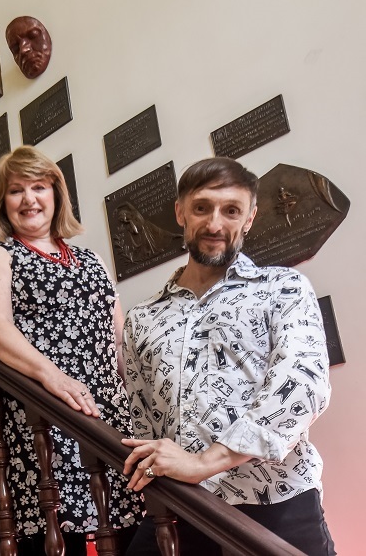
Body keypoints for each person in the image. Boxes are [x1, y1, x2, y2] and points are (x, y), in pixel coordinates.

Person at [121, 157, 335, 556]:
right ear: (180, 212)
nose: (215, 224)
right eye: (202, 208)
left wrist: (206, 462)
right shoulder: (141, 318)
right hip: (183, 507)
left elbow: (302, 388)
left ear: (249, 218)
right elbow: (144, 414)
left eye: (231, 211)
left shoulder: (284, 289)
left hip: (277, 501)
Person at [0, 145, 141, 555]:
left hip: (107, 405)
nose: (29, 199)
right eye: (16, 191)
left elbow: (118, 335)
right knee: (56, 528)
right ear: (2, 202)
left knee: (126, 522)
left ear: (56, 194)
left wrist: (137, 398)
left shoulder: (91, 257)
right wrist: (54, 377)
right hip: (44, 407)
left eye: (39, 187)